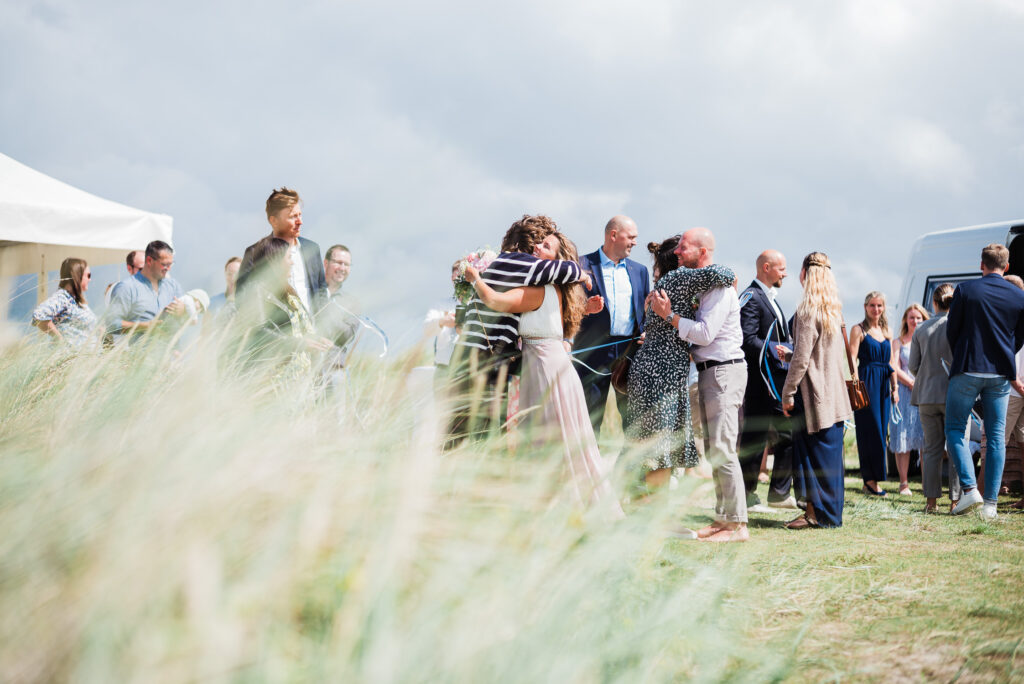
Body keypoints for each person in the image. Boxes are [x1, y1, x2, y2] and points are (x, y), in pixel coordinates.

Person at [464, 233, 621, 516]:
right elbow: (551, 322)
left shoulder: (539, 289)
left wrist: (474, 277)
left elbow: (496, 301)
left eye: (545, 245)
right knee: (563, 437)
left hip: (544, 367)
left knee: (547, 439)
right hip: (554, 364)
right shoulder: (556, 290)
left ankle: (557, 510)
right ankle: (567, 507)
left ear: (556, 260)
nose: (536, 246)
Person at [447, 215, 589, 443]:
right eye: (541, 242)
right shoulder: (526, 265)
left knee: (453, 427)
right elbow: (569, 270)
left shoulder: (495, 264)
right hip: (491, 358)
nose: (538, 248)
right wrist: (583, 275)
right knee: (487, 431)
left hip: (462, 353)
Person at [648, 227, 748, 542]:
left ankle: (737, 526)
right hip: (710, 371)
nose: (677, 252)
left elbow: (705, 334)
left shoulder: (719, 290)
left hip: (723, 372)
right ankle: (723, 520)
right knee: (715, 449)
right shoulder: (705, 286)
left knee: (723, 448)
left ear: (702, 251)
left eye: (684, 247)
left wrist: (670, 317)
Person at [626, 234, 735, 492]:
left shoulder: (663, 284)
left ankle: (637, 505)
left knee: (647, 441)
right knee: (660, 445)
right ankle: (654, 513)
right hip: (662, 372)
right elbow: (725, 274)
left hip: (654, 369)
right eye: (681, 250)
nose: (681, 254)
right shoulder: (680, 278)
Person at [945, 244, 1024, 519]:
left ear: (982, 264)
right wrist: (1003, 355)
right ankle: (990, 505)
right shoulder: (1018, 296)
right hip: (1000, 374)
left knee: (954, 429)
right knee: (997, 439)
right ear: (1007, 266)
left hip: (968, 367)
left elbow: (951, 330)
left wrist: (964, 354)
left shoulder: (966, 290)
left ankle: (969, 490)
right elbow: (1019, 337)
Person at [778, 252, 853, 528]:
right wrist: (791, 355)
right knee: (830, 459)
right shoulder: (834, 311)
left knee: (812, 459)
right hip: (834, 397)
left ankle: (817, 515)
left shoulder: (807, 312)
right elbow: (816, 355)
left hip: (814, 398)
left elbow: (802, 359)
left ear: (805, 275)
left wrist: (787, 394)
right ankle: (825, 515)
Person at [572, 216, 650, 436]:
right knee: (589, 417)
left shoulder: (640, 271)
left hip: (629, 353)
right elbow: (567, 309)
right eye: (631, 237)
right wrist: (584, 307)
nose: (635, 242)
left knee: (632, 419)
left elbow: (642, 311)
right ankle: (586, 468)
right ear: (613, 235)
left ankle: (629, 469)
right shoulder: (581, 265)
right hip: (591, 353)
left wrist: (645, 330)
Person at [738, 249, 797, 510]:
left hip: (775, 381)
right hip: (760, 382)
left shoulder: (770, 298)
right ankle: (745, 496)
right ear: (765, 268)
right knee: (754, 439)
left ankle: (778, 494)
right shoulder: (751, 297)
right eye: (781, 268)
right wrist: (777, 349)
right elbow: (747, 339)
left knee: (787, 434)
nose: (785, 273)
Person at [245, 236, 333, 389]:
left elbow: (297, 328)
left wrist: (316, 339)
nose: (292, 263)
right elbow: (258, 334)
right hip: (271, 382)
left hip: (298, 381)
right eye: (288, 258)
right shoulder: (256, 291)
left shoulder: (289, 293)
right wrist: (298, 344)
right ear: (274, 261)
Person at [908, 284, 961, 513]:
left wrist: (928, 375)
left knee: (932, 450)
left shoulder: (921, 329)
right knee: (957, 447)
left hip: (927, 396)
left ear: (934, 303)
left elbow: (912, 366)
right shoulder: (960, 326)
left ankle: (931, 503)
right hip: (955, 395)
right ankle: (956, 501)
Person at [236, 187, 327, 316]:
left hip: (314, 332)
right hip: (277, 333)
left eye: (300, 215)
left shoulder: (312, 248)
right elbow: (243, 300)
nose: (300, 222)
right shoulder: (254, 253)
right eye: (292, 217)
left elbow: (321, 291)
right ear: (273, 221)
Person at [848, 291, 899, 496]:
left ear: (883, 308)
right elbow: (852, 358)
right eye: (872, 305)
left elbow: (891, 362)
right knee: (869, 431)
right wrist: (855, 385)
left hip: (884, 385)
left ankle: (873, 479)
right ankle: (869, 480)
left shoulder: (886, 330)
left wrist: (895, 388)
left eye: (879, 305)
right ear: (865, 306)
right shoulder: (858, 329)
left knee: (881, 432)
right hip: (866, 382)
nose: (876, 309)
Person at [104, 240, 185, 340]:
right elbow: (111, 324)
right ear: (149, 261)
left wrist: (183, 310)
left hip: (171, 354)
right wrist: (145, 326)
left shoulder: (173, 286)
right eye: (164, 264)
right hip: (139, 354)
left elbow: (187, 322)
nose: (168, 269)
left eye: (170, 264)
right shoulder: (126, 287)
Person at [889, 304, 929, 495]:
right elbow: (894, 367)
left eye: (918, 318)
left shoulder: (928, 339)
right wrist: (911, 383)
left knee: (925, 439)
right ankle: (903, 483)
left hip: (925, 394)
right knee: (903, 439)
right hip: (905, 394)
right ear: (905, 319)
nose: (915, 321)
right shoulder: (898, 342)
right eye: (911, 317)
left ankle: (926, 482)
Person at [31, 257, 98, 347]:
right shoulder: (63, 298)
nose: (90, 279)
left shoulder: (75, 300)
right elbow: (39, 315)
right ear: (78, 275)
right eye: (88, 275)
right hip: (70, 358)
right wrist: (59, 339)